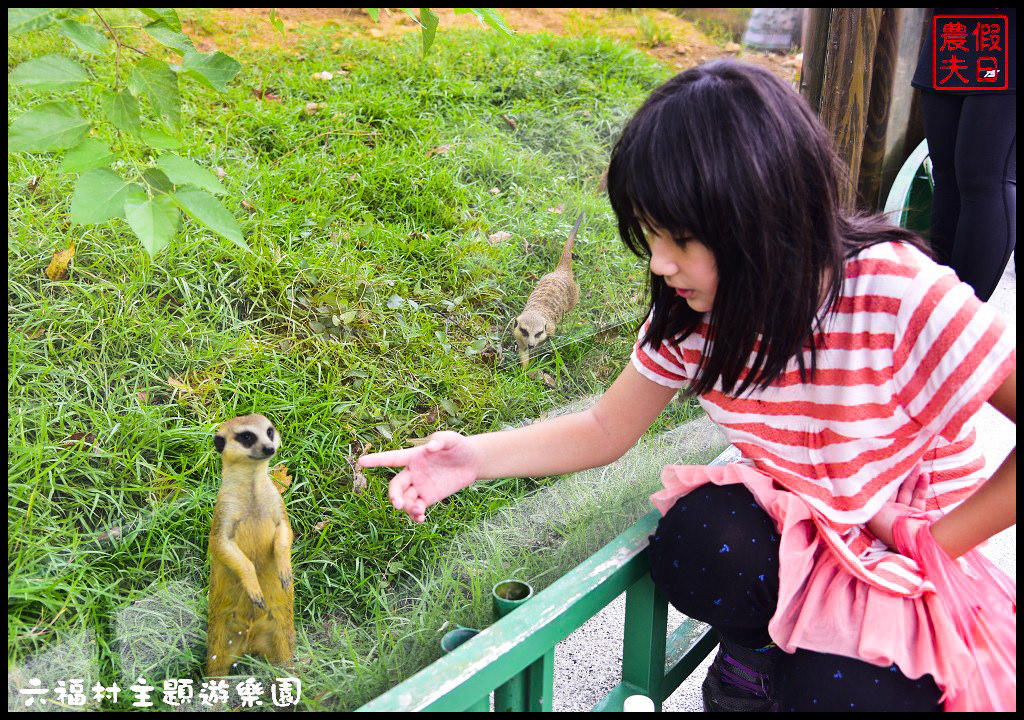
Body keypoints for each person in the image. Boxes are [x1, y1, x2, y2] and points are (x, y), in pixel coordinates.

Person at [359, 61, 1016, 712]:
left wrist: (933, 545)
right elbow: (605, 428)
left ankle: (805, 669)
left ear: (767, 218)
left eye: (680, 238)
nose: (659, 262)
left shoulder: (897, 292)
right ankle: (755, 658)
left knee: (835, 697)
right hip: (806, 522)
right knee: (697, 541)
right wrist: (477, 458)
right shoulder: (695, 314)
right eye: (649, 234)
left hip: (905, 547)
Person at [911, 8, 1016, 300]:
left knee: (983, 180)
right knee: (946, 177)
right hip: (954, 27)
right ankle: (937, 308)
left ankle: (961, 319)